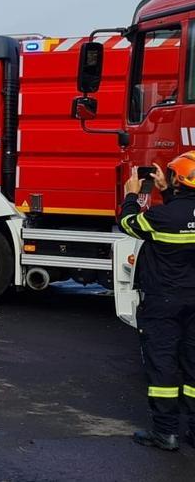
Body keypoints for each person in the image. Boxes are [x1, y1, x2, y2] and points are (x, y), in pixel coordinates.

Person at [120, 153, 195, 451]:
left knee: (163, 363)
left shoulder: (162, 218)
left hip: (163, 301)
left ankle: (166, 433)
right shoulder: (172, 214)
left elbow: (128, 223)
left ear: (177, 179)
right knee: (193, 363)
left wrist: (131, 194)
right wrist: (166, 192)